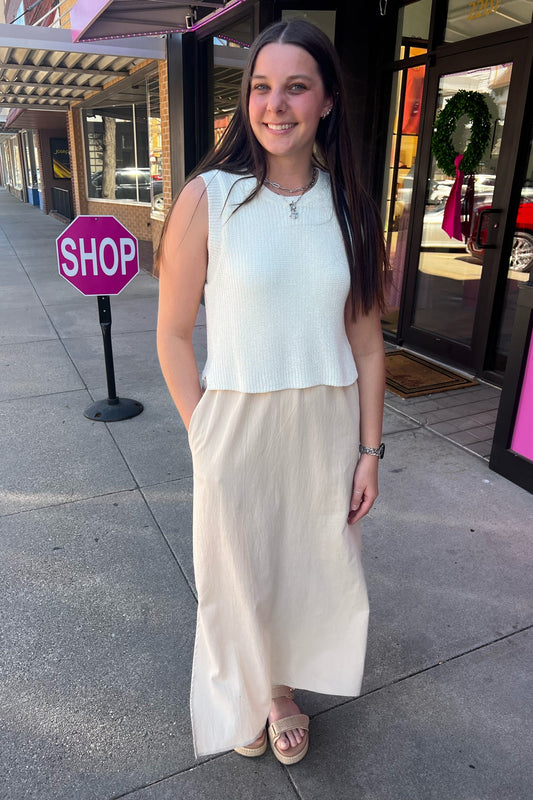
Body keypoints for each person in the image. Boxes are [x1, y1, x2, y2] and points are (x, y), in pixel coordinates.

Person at [156, 18, 387, 764]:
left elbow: (365, 341)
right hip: (236, 419)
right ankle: (246, 692)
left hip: (325, 420)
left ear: (325, 101)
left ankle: (280, 689)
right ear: (245, 100)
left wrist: (369, 451)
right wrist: (204, 435)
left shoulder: (349, 206)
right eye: (261, 86)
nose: (274, 104)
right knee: (238, 570)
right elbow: (171, 334)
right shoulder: (208, 198)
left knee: (308, 565)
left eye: (295, 87)